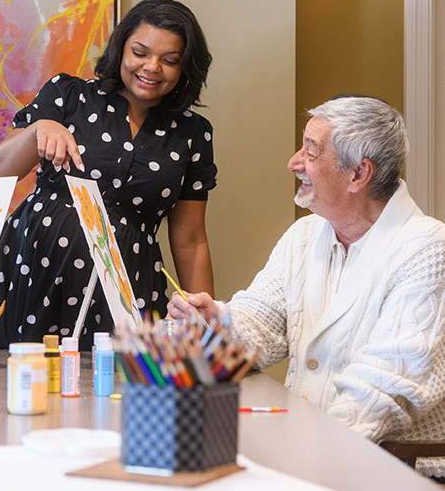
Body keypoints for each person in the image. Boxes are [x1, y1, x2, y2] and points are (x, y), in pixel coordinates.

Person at [168, 96, 445, 478]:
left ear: (358, 174)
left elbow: (384, 390)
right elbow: (264, 319)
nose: (294, 162)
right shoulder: (304, 235)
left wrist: (298, 456)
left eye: (311, 152)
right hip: (311, 455)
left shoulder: (428, 250)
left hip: (392, 470)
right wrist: (216, 321)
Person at [0, 0, 217, 349]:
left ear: (185, 68)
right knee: (16, 390)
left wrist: (203, 324)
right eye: (140, 52)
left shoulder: (193, 132)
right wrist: (38, 129)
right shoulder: (68, 94)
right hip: (34, 270)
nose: (152, 67)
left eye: (170, 60)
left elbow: (191, 238)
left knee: (115, 394)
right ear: (121, 49)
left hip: (128, 287)